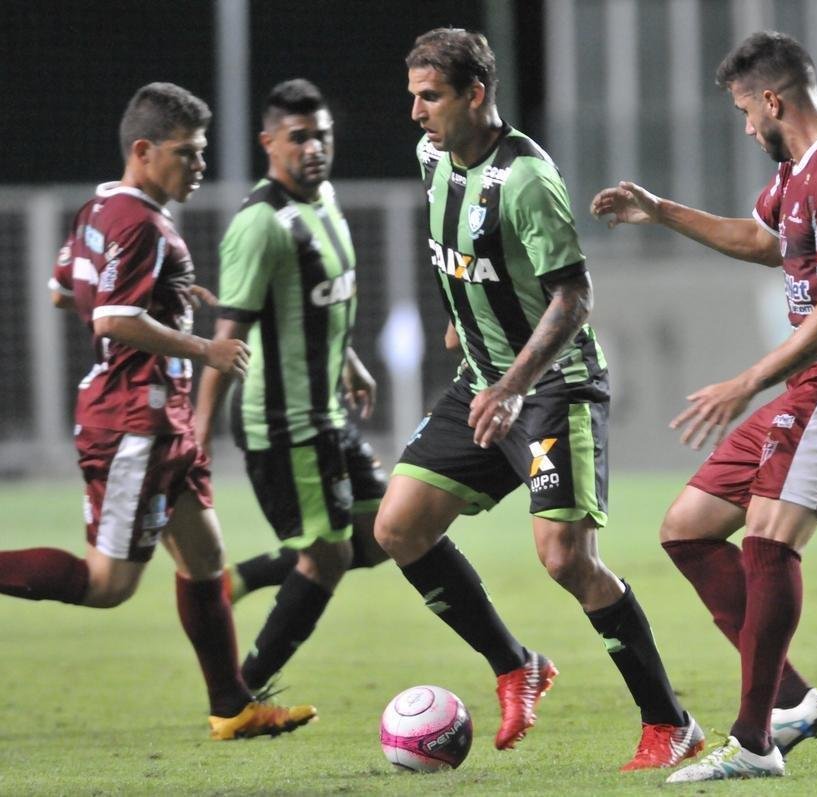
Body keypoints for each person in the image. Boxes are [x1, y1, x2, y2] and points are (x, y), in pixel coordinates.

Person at [373, 27, 704, 772]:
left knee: (566, 558)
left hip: (552, 387)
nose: (417, 112)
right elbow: (464, 262)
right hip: (485, 383)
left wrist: (515, 383)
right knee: (398, 526)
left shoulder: (525, 179)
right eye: (413, 96)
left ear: (476, 94)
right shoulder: (431, 158)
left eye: (431, 97)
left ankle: (670, 722)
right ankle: (515, 663)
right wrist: (470, 331)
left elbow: (573, 296)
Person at [591, 31, 817, 782]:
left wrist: (746, 381)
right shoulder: (801, 171)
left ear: (773, 100)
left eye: (745, 110)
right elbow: (763, 238)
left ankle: (752, 740)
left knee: (769, 541)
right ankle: (793, 702)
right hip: (816, 376)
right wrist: (660, 210)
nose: (745, 127)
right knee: (689, 529)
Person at [0, 82, 315, 740]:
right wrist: (204, 345)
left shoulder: (100, 209)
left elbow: (69, 293)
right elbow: (114, 317)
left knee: (204, 559)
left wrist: (169, 296)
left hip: (156, 418)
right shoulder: (139, 221)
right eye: (189, 153)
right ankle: (231, 702)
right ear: (144, 151)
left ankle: (231, 706)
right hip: (133, 419)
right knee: (109, 582)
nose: (199, 166)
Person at [195, 79, 389, 691]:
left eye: (322, 135)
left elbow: (310, 306)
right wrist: (196, 442)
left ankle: (238, 581)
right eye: (299, 137)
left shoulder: (324, 199)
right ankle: (242, 692)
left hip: (327, 409)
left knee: (386, 531)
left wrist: (348, 359)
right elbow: (226, 344)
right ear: (268, 142)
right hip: (283, 424)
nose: (314, 148)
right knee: (327, 557)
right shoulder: (260, 225)